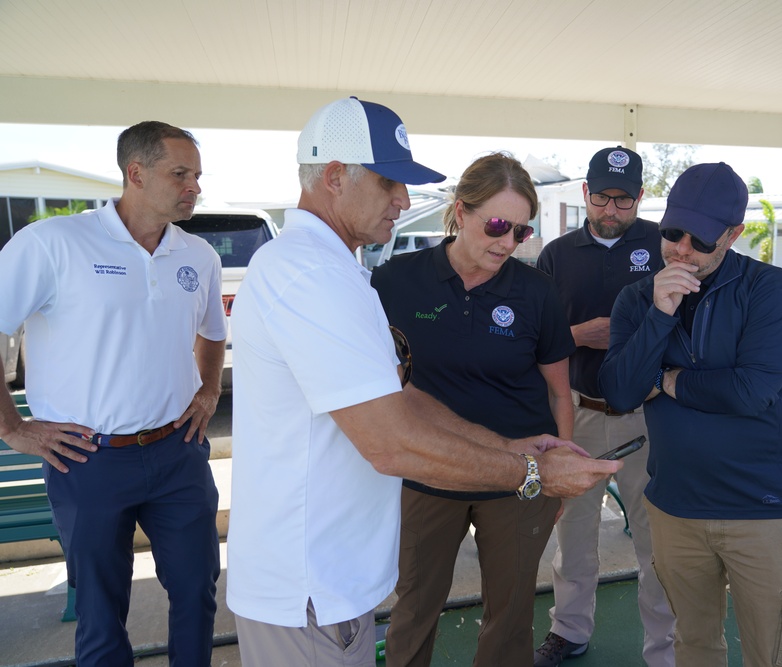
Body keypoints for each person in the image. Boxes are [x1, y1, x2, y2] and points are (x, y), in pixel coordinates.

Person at [225, 97, 620, 667]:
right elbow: (389, 441)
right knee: (416, 612)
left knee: (505, 614)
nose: (404, 201)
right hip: (309, 588)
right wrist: (533, 472)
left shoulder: (337, 271)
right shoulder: (315, 275)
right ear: (335, 177)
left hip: (325, 583)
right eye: (390, 183)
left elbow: (400, 397)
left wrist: (508, 447)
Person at [0, 122, 226, 666]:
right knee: (100, 616)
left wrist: (210, 389)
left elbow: (213, 333)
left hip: (178, 454)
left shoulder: (198, 255)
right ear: (136, 173)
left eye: (197, 175)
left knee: (197, 592)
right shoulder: (54, 243)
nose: (194, 185)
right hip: (88, 459)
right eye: (181, 174)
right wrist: (10, 427)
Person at [599, 162, 782, 667]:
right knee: (694, 646)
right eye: (672, 232)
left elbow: (749, 391)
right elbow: (619, 392)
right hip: (676, 506)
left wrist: (665, 379)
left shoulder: (768, 289)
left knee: (777, 651)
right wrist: (660, 314)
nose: (681, 248)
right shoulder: (638, 299)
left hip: (761, 507)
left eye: (699, 238)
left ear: (733, 234)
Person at [371, 152, 574, 667]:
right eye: (498, 225)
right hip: (428, 471)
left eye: (521, 232)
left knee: (510, 614)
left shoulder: (537, 292)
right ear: (461, 212)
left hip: (518, 477)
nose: (507, 243)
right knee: (415, 605)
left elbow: (558, 391)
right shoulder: (396, 281)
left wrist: (560, 469)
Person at [533, 146, 675, 667]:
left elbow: (684, 324)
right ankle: (569, 630)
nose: (610, 210)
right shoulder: (557, 253)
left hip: (648, 411)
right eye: (601, 198)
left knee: (658, 539)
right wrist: (579, 335)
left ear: (639, 197)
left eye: (622, 200)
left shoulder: (664, 244)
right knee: (573, 533)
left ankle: (665, 648)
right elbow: (539, 336)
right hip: (580, 411)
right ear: (585, 194)